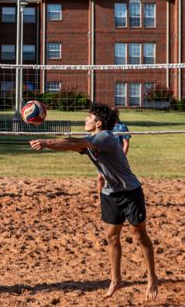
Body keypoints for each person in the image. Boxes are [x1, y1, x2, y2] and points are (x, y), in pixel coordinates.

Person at [30, 102, 158, 302]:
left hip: (130, 191)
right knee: (112, 237)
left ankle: (152, 277)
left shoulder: (105, 137)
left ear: (98, 123)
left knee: (139, 235)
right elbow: (72, 145)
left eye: (88, 117)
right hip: (110, 193)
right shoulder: (92, 140)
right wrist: (49, 144)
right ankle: (116, 279)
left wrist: (46, 141)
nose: (85, 120)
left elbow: (77, 142)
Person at [97, 109, 130, 200]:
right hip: (105, 158)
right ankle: (101, 200)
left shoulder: (122, 127)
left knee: (120, 180)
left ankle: (123, 199)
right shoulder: (104, 126)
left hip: (117, 158)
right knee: (100, 178)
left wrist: (122, 157)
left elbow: (126, 143)